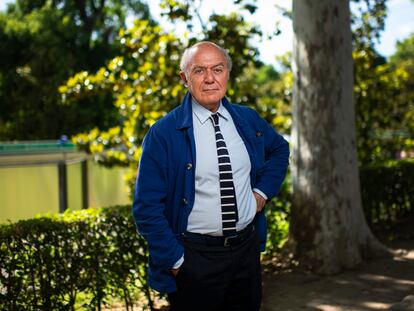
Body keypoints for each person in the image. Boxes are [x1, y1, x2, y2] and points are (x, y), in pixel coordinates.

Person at [132, 41, 289, 311]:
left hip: (246, 252)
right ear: (184, 78)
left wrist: (262, 193)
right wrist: (177, 262)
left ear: (227, 73)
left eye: (217, 69)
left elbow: (279, 149)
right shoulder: (163, 134)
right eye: (198, 71)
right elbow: (146, 209)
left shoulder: (247, 119)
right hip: (195, 259)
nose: (209, 79)